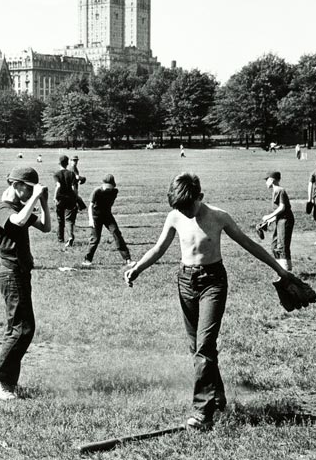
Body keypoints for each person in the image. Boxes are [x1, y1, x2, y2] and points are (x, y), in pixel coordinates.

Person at [125, 173, 298, 430]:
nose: (184, 212)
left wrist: (280, 270)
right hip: (185, 282)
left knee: (204, 346)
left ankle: (201, 410)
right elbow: (159, 248)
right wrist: (137, 268)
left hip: (213, 282)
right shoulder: (175, 216)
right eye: (179, 208)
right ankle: (217, 398)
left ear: (200, 197)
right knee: (197, 346)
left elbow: (249, 244)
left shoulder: (219, 216)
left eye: (188, 207)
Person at [0, 166, 50, 401]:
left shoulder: (21, 206)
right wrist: (35, 198)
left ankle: (7, 383)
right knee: (24, 329)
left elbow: (46, 226)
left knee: (17, 328)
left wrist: (44, 202)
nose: (31, 193)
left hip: (21, 273)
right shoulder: (5, 209)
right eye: (28, 188)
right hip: (11, 274)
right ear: (16, 185)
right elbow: (18, 222)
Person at [82, 174, 132, 266]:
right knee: (95, 239)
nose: (108, 189)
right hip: (96, 216)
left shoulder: (115, 192)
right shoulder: (97, 191)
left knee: (117, 233)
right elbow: (90, 206)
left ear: (113, 186)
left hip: (107, 215)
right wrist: (91, 220)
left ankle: (127, 259)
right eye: (106, 187)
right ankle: (87, 260)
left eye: (110, 187)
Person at [260, 171, 294, 271]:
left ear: (272, 180)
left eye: (267, 180)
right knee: (275, 245)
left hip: (285, 220)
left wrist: (268, 216)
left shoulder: (280, 190)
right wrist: (270, 220)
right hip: (280, 219)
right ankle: (281, 269)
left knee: (282, 245)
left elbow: (282, 208)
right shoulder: (276, 190)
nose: (266, 182)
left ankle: (286, 271)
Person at [53, 155, 78, 247]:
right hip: (70, 198)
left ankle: (60, 239)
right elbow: (74, 188)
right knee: (69, 220)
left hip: (60, 199)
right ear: (67, 163)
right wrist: (75, 197)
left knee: (60, 219)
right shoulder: (71, 174)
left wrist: (55, 197)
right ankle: (70, 236)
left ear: (59, 163)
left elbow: (58, 185)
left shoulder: (57, 174)